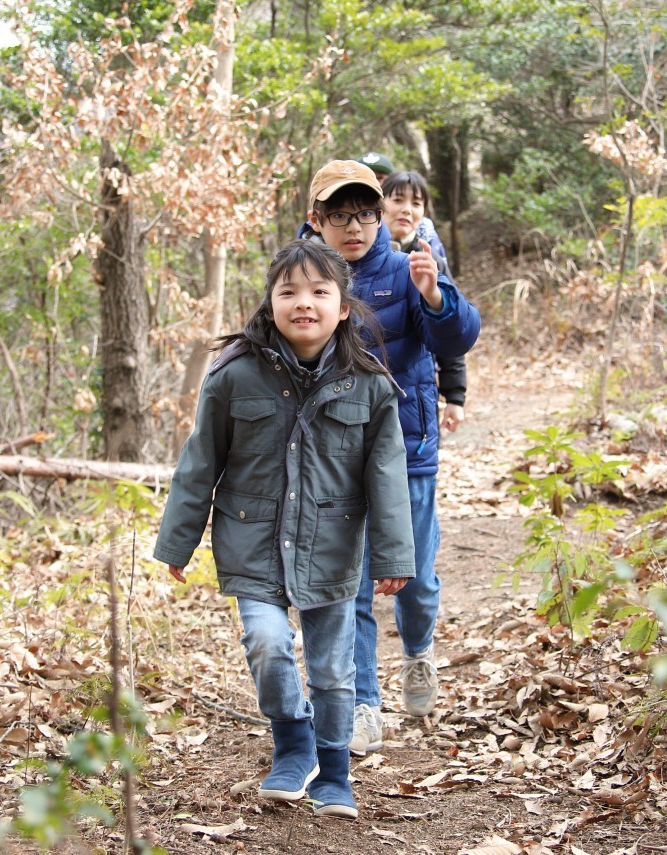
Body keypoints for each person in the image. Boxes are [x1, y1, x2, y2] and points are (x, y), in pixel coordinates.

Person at [154, 239, 417, 819]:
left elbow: (388, 478)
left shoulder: (370, 385)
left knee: (331, 668)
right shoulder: (233, 377)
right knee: (268, 645)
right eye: (289, 291)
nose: (305, 303)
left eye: (320, 292)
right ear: (270, 302)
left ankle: (335, 771)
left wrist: (395, 555)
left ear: (343, 306)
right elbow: (200, 463)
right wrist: (179, 540)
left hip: (333, 546)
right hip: (252, 542)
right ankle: (293, 743)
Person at [299, 160, 481, 755]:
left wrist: (435, 297)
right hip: (334, 457)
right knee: (347, 585)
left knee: (415, 581)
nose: (356, 227)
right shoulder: (300, 277)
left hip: (407, 450)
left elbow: (458, 338)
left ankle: (419, 651)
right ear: (316, 220)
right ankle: (362, 706)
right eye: (342, 216)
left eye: (367, 214)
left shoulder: (407, 270)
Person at [382, 169, 468, 435]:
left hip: (418, 396)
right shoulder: (357, 256)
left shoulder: (431, 260)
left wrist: (454, 395)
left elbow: (450, 327)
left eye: (416, 203)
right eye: (397, 200)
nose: (407, 210)